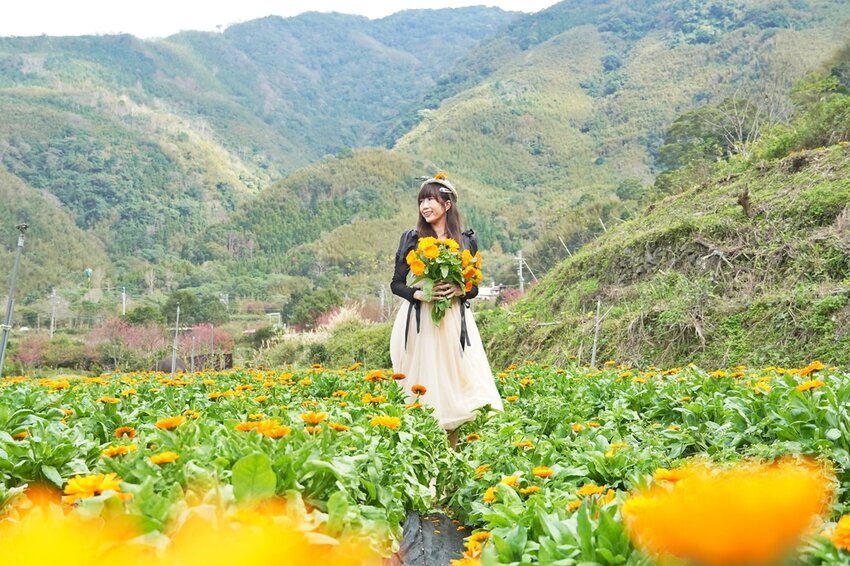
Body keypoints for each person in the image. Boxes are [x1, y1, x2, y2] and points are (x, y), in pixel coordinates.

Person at [389, 173, 503, 446]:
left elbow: (474, 287)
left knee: (456, 384)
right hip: (422, 321)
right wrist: (418, 293)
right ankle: (426, 449)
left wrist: (460, 290)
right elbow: (396, 284)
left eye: (430, 200)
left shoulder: (465, 241)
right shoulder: (413, 239)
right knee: (427, 385)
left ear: (447, 204)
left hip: (453, 319)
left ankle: (454, 452)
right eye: (421, 201)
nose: (425, 206)